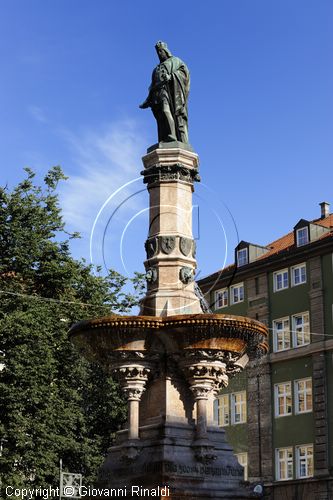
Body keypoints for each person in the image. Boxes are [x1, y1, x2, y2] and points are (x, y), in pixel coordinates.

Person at [140, 41, 190, 144]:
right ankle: (165, 137)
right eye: (158, 52)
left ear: (166, 51)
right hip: (156, 95)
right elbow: (152, 86)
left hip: (167, 91)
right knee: (161, 116)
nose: (159, 54)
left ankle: (172, 135)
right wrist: (147, 100)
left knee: (166, 111)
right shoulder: (156, 69)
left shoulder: (175, 61)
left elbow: (184, 73)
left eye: (161, 51)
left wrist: (171, 76)